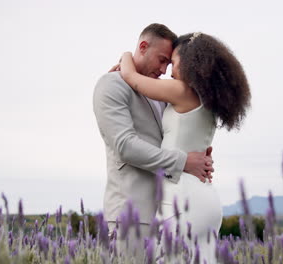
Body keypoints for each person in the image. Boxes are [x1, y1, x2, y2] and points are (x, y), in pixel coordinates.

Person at [118, 32, 251, 263]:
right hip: (204, 198)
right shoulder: (207, 100)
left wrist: (126, 55)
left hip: (181, 198)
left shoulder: (182, 91)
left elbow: (132, 77)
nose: (170, 71)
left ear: (192, 63)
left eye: (175, 63)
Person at [92, 24, 214, 260]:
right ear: (143, 47)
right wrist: (184, 162)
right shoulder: (111, 85)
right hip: (131, 215)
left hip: (168, 214)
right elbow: (125, 146)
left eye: (169, 64)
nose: (164, 69)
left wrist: (200, 158)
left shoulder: (157, 93)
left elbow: (176, 135)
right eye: (161, 60)